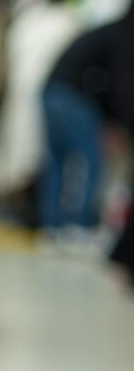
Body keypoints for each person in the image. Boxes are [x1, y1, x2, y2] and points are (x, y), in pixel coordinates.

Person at [39, 13, 127, 248]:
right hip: (71, 97)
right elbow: (118, 86)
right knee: (91, 159)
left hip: (51, 92)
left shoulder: (106, 30)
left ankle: (52, 226)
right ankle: (80, 226)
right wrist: (116, 120)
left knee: (57, 160)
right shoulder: (121, 37)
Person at [0, 0, 86, 199]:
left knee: (24, 156)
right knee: (47, 159)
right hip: (52, 95)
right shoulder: (69, 21)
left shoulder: (28, 20)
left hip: (22, 93)